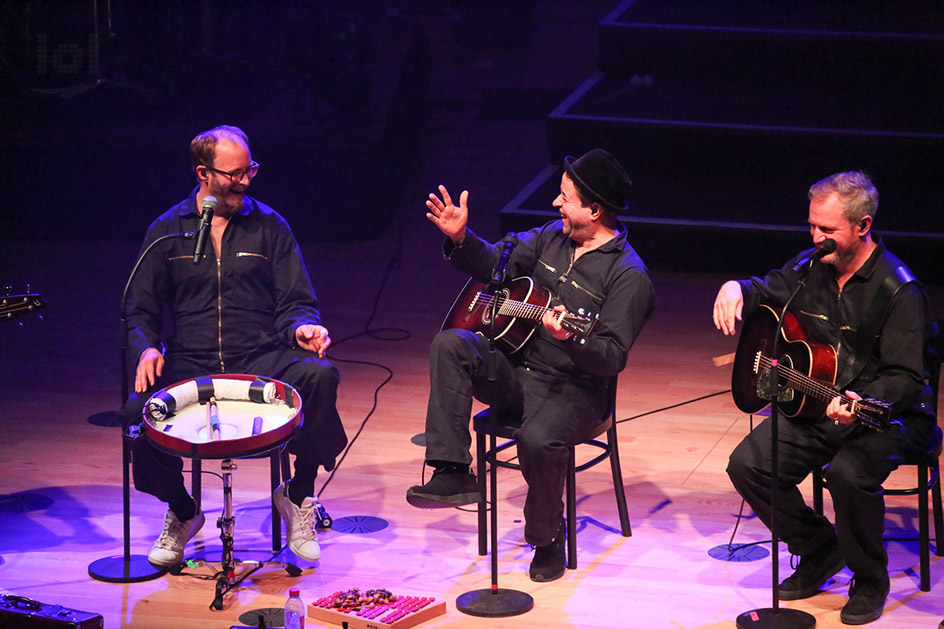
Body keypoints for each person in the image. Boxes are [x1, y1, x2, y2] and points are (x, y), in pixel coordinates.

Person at [406, 149, 654, 582]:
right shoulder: (547, 238)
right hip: (516, 374)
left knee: (538, 439)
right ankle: (451, 471)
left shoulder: (629, 276)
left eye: (565, 198)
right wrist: (462, 238)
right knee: (452, 344)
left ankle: (546, 536)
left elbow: (612, 356)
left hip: (576, 388)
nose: (555, 204)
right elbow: (492, 266)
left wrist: (571, 337)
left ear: (594, 210)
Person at [715, 171, 938, 625]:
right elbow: (766, 287)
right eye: (813, 226)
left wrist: (861, 399)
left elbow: (906, 377)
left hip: (887, 416)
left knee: (849, 475)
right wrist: (736, 287)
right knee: (748, 464)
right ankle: (821, 549)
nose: (817, 238)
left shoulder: (899, 290)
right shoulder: (811, 265)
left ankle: (871, 579)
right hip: (818, 407)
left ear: (863, 225)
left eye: (828, 230)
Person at [120, 125, 348, 568]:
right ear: (204, 173)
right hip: (191, 359)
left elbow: (296, 301)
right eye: (235, 174)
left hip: (260, 354)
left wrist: (303, 327)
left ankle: (298, 493)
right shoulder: (168, 231)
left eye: (250, 171)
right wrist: (146, 348)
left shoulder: (270, 227)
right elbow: (139, 307)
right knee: (134, 414)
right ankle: (184, 512)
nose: (245, 181)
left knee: (320, 375)